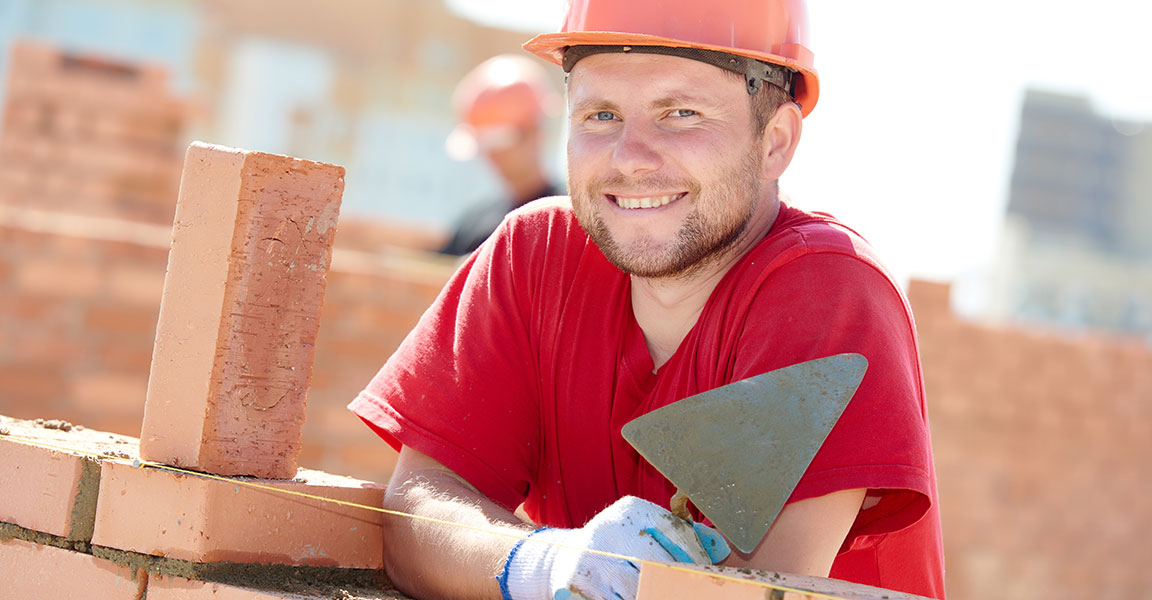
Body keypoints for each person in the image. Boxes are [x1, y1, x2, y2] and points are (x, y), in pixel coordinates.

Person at [350, 1, 946, 598]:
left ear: (776, 142)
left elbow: (749, 590)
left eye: (681, 113)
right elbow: (416, 512)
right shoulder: (533, 257)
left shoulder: (827, 289)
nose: (630, 157)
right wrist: (542, 564)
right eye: (601, 114)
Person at [439, 53, 564, 256]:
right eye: (485, 144)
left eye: (500, 141)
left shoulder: (568, 222)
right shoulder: (474, 223)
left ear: (534, 132)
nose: (492, 155)